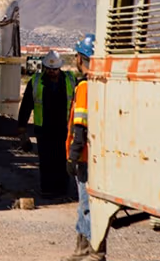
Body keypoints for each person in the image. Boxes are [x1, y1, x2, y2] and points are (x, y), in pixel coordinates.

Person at [63, 33, 107, 261]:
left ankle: (94, 252)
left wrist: (72, 156)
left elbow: (79, 127)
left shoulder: (84, 88)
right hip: (98, 155)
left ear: (82, 58)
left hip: (85, 157)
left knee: (87, 204)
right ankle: (81, 250)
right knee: (84, 205)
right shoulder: (104, 84)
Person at [17, 50, 76, 197]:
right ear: (44, 68)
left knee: (63, 160)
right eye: (49, 69)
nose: (51, 72)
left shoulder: (70, 80)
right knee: (46, 161)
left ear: (60, 68)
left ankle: (63, 190)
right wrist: (22, 126)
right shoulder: (36, 82)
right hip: (44, 129)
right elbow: (26, 105)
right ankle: (48, 190)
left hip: (64, 128)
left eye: (54, 69)